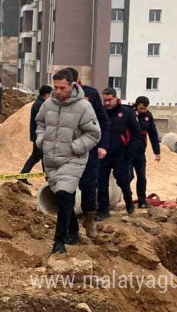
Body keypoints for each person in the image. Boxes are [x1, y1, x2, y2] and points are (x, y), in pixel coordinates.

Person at [35, 69, 101, 254]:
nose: (57, 91)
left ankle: (59, 242)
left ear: (72, 86)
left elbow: (94, 134)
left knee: (65, 194)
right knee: (60, 196)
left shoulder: (84, 107)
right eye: (55, 87)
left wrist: (75, 147)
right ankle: (73, 230)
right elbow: (39, 123)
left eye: (62, 88)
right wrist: (41, 141)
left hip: (72, 159)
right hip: (50, 159)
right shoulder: (48, 104)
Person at [65, 67, 109, 238]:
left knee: (89, 186)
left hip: (88, 149)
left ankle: (89, 219)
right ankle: (71, 228)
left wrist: (103, 145)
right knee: (66, 188)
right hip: (66, 150)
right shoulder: (57, 100)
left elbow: (103, 121)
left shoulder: (90, 94)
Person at [97, 87, 141, 218]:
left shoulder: (127, 112)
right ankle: (103, 210)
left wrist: (130, 153)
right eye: (105, 100)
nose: (107, 103)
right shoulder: (101, 112)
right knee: (101, 182)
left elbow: (136, 134)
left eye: (109, 100)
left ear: (116, 98)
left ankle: (129, 202)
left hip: (122, 154)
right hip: (104, 153)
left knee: (122, 180)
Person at [18, 85, 52, 184]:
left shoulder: (40, 103)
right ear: (47, 94)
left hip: (37, 135)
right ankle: (48, 180)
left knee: (36, 157)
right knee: (44, 158)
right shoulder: (40, 105)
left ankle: (23, 175)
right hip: (39, 136)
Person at [131, 96, 161, 208]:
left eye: (145, 108)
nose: (143, 111)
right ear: (136, 105)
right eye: (141, 108)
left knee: (142, 177)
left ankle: (142, 201)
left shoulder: (148, 116)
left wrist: (157, 152)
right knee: (128, 176)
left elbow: (153, 134)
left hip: (140, 151)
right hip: (128, 151)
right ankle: (127, 200)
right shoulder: (130, 114)